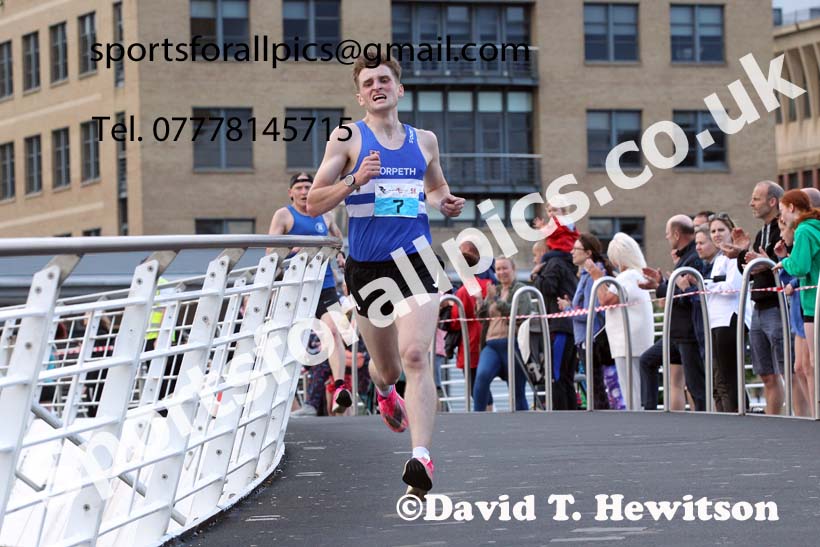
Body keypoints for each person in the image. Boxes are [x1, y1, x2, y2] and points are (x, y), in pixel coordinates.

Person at [306, 54, 465, 498]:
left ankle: (421, 457)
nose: (377, 86)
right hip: (368, 268)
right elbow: (314, 202)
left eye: (384, 80)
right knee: (388, 368)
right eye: (368, 83)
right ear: (360, 96)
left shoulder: (425, 140)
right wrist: (355, 179)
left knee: (415, 355)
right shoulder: (347, 137)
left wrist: (444, 201)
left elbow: (434, 186)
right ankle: (383, 389)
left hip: (416, 260)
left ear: (399, 89)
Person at [269, 172, 352, 415]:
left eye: (309, 187)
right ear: (291, 193)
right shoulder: (284, 215)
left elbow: (337, 240)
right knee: (288, 343)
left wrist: (340, 255)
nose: (305, 192)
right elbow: (270, 252)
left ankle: (339, 387)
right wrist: (295, 249)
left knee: (334, 331)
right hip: (295, 288)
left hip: (325, 285)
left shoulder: (326, 215)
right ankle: (286, 401)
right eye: (300, 188)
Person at [722, 181, 785, 415]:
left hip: (777, 307)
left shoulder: (784, 230)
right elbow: (751, 269)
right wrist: (740, 254)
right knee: (766, 373)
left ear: (772, 201)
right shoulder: (762, 233)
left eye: (756, 199)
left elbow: (780, 263)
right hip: (759, 306)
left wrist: (756, 260)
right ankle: (773, 419)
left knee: (788, 368)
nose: (751, 203)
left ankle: (798, 418)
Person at [640, 215, 707, 411]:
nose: (667, 238)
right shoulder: (684, 257)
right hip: (676, 333)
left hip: (688, 333)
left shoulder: (693, 258)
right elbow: (677, 288)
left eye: (668, 234)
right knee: (647, 361)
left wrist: (661, 287)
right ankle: (649, 411)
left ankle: (706, 419)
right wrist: (661, 284)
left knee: (696, 386)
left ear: (677, 234)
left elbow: (686, 295)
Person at [586, 233, 654, 410]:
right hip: (636, 338)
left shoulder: (627, 277)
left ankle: (634, 416)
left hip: (627, 340)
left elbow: (606, 300)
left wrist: (597, 278)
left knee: (630, 387)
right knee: (637, 386)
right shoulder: (637, 274)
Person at [692, 216, 745, 412]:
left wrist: (707, 285)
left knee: (728, 377)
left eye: (721, 230)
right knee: (718, 378)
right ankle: (724, 415)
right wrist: (710, 285)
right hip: (715, 321)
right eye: (713, 231)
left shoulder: (734, 256)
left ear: (731, 231)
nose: (716, 234)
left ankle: (736, 415)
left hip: (729, 319)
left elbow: (733, 286)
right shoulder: (719, 259)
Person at [775, 189, 820, 418]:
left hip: (813, 304)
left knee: (814, 360)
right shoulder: (815, 226)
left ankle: (816, 413)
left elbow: (801, 267)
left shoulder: (803, 229)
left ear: (791, 207)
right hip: (813, 299)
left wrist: (784, 263)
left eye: (782, 210)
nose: (782, 216)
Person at [557, 233, 613, 410]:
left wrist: (567, 308)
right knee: (595, 387)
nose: (571, 252)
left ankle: (603, 420)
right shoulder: (586, 275)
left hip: (591, 339)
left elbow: (589, 314)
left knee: (597, 388)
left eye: (576, 249)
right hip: (586, 338)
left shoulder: (591, 276)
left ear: (588, 253)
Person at [532, 217, 580, 410]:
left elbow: (548, 287)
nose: (534, 259)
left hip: (560, 327)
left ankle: (561, 415)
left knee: (556, 374)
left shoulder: (553, 264)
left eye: (536, 255)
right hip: (571, 327)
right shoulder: (569, 263)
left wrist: (536, 275)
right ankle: (571, 415)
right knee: (567, 376)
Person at [473, 257, 531, 411]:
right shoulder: (495, 290)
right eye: (498, 269)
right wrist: (480, 301)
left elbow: (519, 314)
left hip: (513, 344)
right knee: (482, 378)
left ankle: (523, 421)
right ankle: (476, 418)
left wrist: (496, 300)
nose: (501, 272)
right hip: (491, 344)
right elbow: (482, 318)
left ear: (513, 270)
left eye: (505, 268)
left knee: (517, 391)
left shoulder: (521, 290)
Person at [451, 241, 493, 409]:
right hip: (489, 340)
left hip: (470, 344)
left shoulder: (462, 292)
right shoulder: (487, 285)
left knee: (475, 387)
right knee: (484, 385)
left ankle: (485, 417)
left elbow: (455, 323)